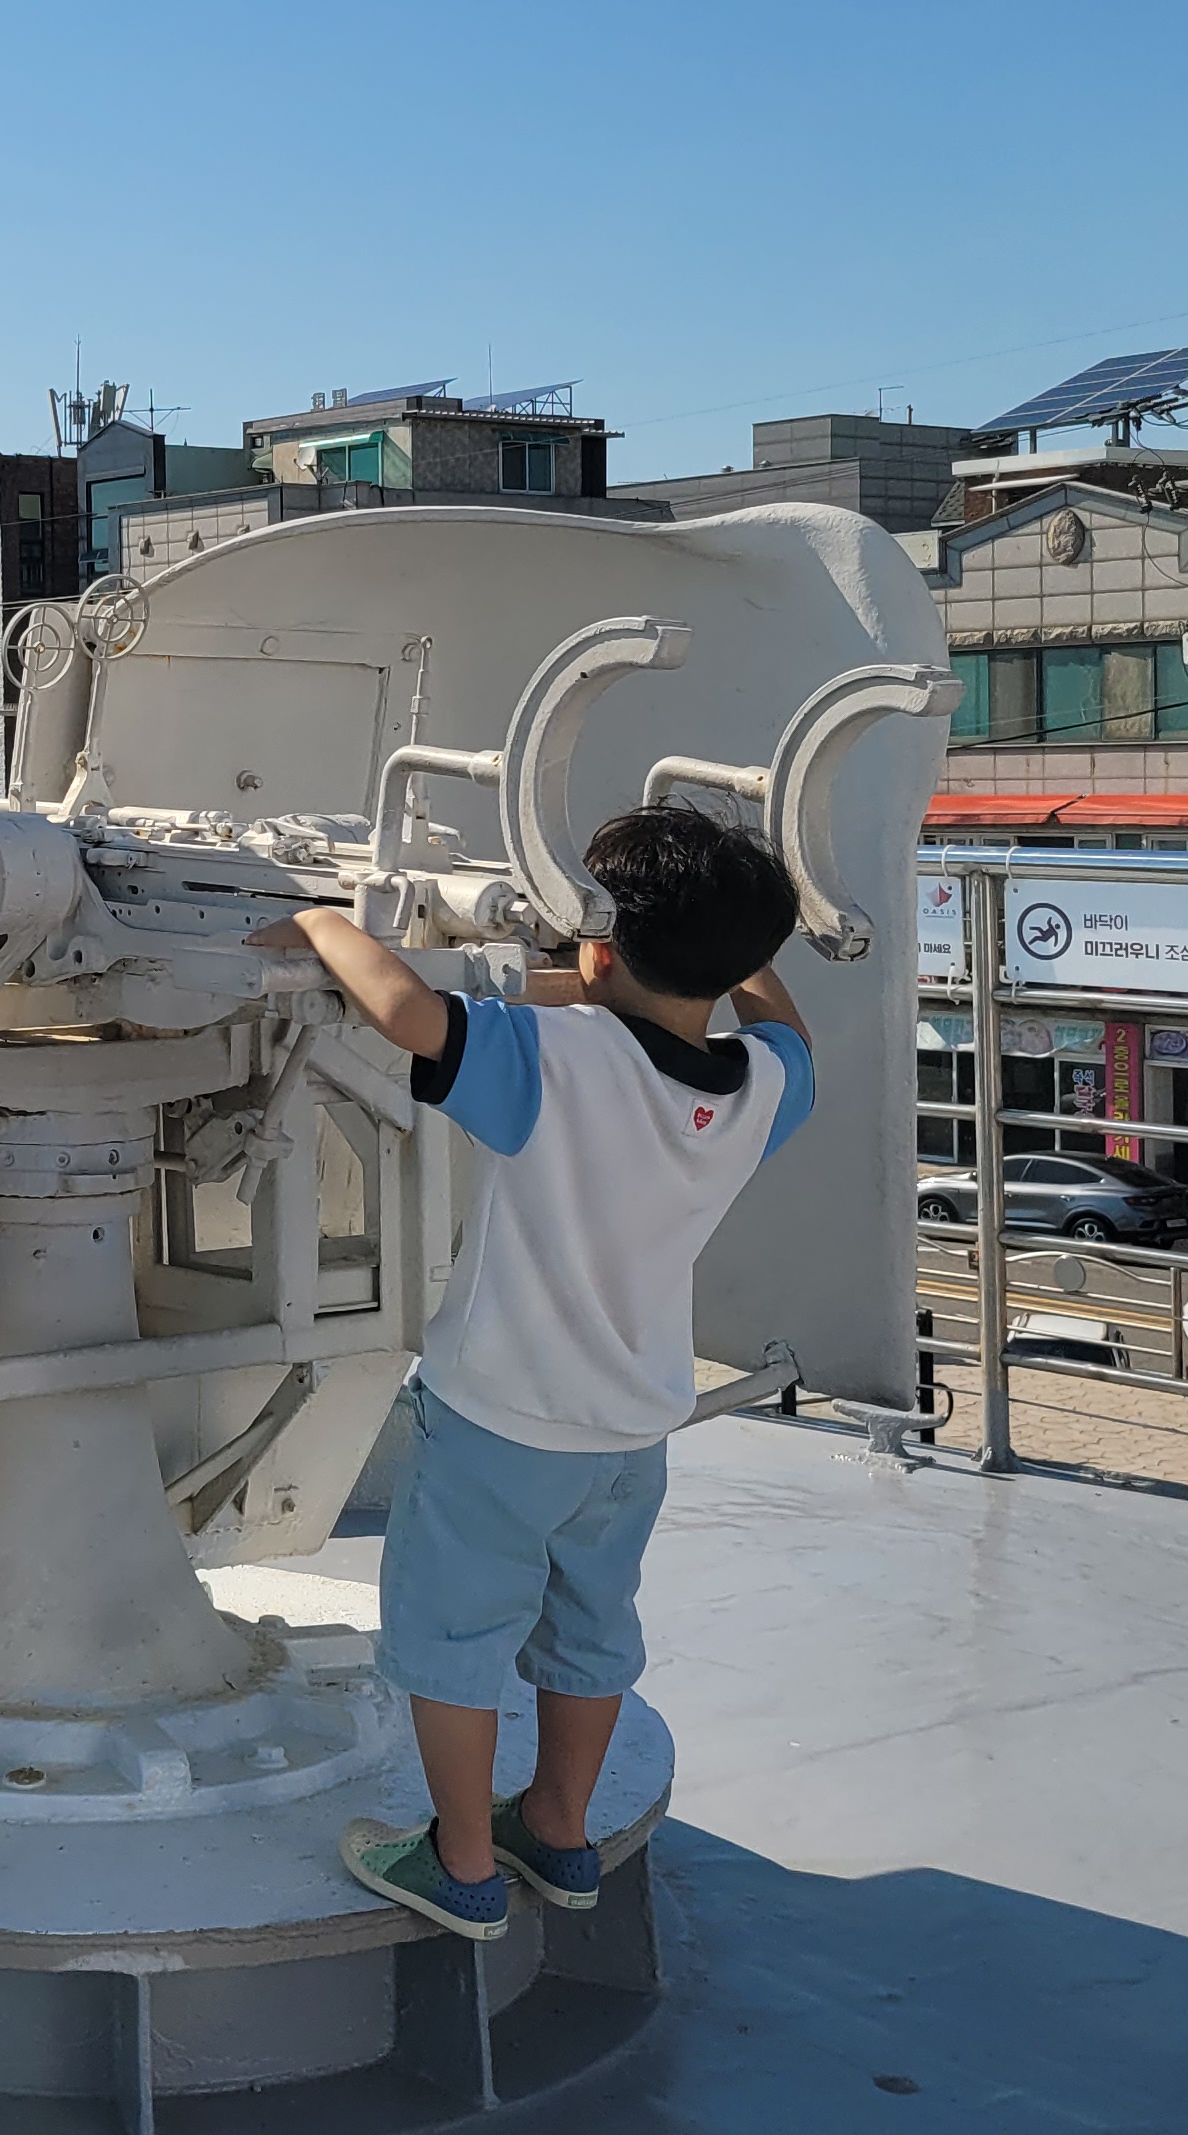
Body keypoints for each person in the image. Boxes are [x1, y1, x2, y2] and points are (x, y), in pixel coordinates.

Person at [245, 805, 816, 1941]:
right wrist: (739, 952)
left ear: (597, 948)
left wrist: (318, 923)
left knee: (455, 1642)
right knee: (592, 1630)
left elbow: (406, 1010)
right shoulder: (761, 1090)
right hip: (633, 1428)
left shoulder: (555, 1057)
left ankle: (459, 1864)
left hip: (500, 1419)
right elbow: (788, 1031)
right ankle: (558, 1830)